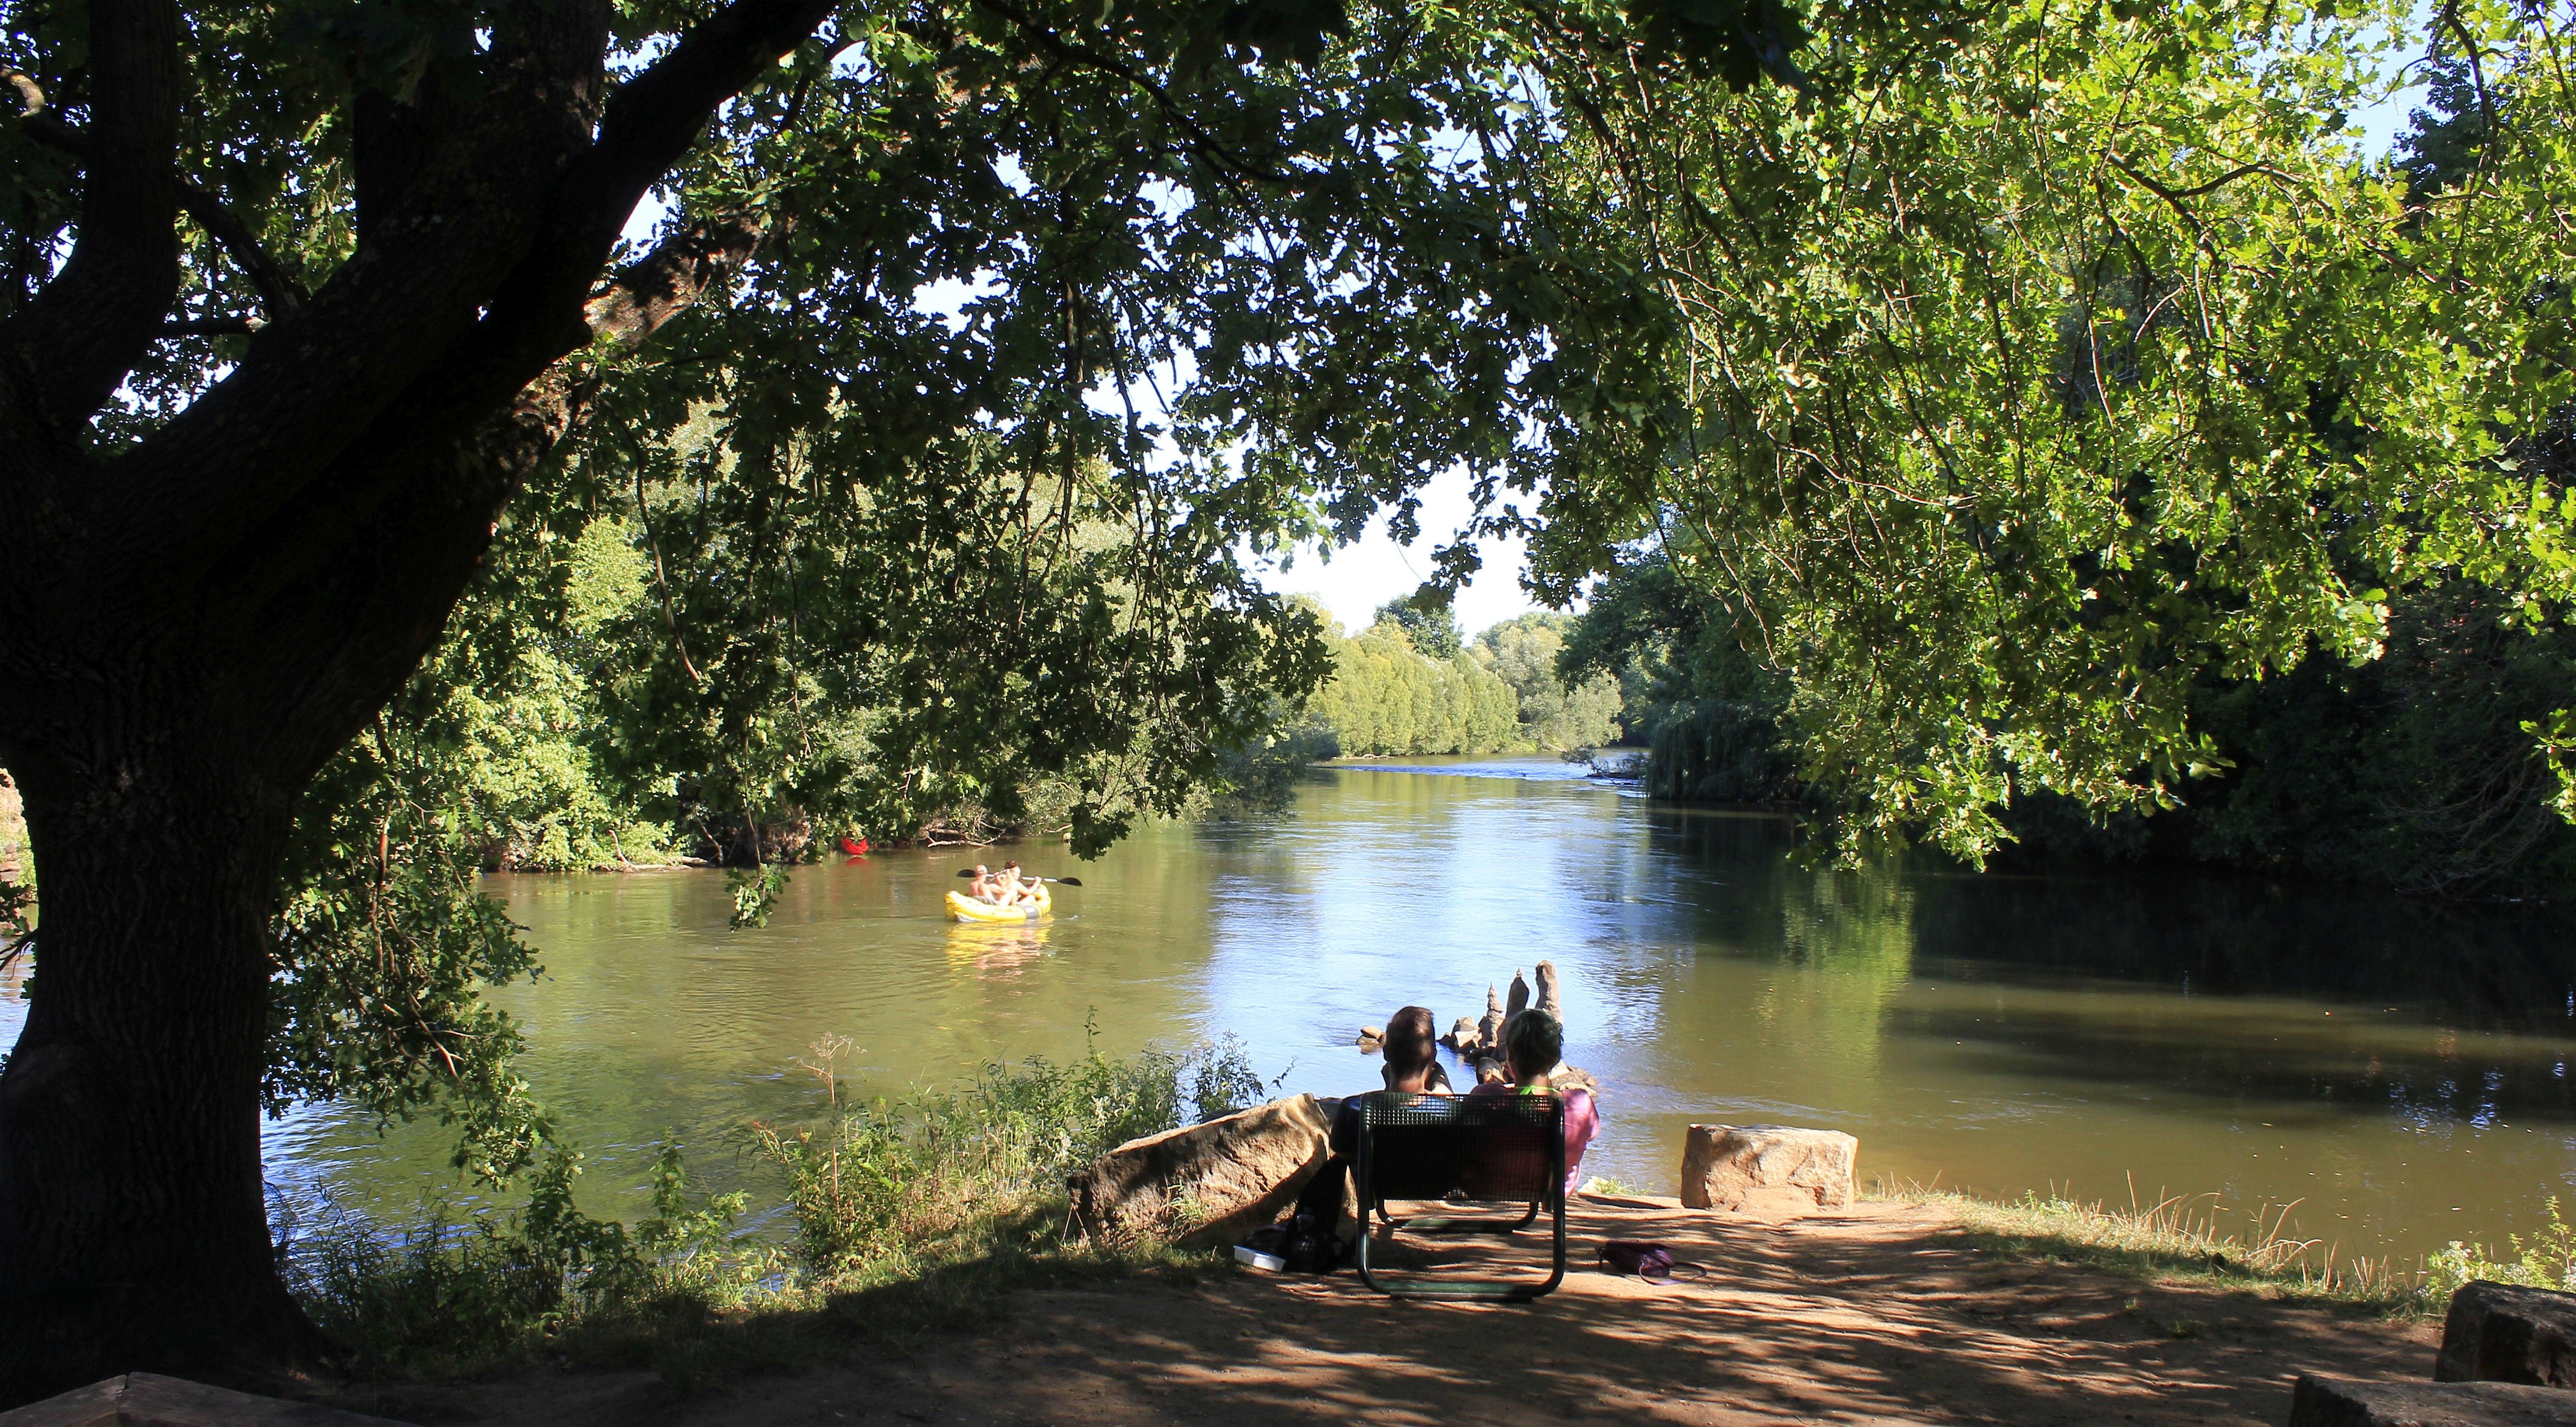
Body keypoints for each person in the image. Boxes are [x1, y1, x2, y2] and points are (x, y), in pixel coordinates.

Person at [1282, 1006, 1451, 1266]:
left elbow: (1340, 1148)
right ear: (1434, 1058)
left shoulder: (1355, 1109)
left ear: (1385, 1053)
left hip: (1378, 1186)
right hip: (1441, 1184)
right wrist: (1438, 1083)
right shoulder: (1454, 1110)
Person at [1469, 1007, 1599, 1194]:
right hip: (1552, 1194)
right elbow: (1592, 1133)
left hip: (1491, 1192)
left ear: (1511, 1057)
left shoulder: (1485, 1096)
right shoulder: (1580, 1104)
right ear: (1555, 1059)